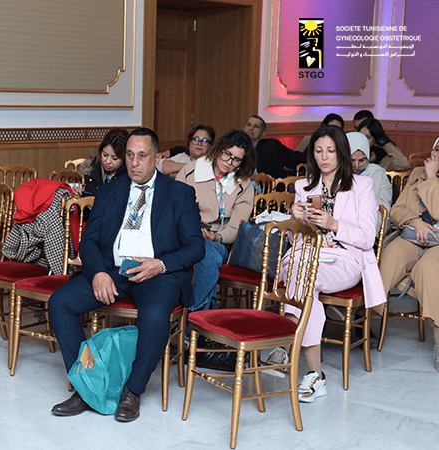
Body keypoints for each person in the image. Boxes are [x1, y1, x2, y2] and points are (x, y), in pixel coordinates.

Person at [48, 127, 205, 422]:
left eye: (142, 156)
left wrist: (160, 264)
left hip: (157, 273)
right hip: (113, 271)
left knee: (155, 315)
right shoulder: (111, 191)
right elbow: (89, 241)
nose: (134, 163)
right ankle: (87, 385)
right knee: (60, 302)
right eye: (130, 155)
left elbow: (196, 247)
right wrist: (98, 273)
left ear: (156, 158)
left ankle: (133, 390)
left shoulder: (180, 193)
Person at [266, 125, 385, 402]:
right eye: (318, 151)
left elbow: (368, 238)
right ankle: (315, 375)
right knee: (304, 274)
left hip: (345, 258)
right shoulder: (304, 186)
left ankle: (287, 343)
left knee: (304, 277)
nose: (324, 157)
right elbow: (295, 238)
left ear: (341, 152)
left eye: (330, 150)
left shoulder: (362, 186)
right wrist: (295, 219)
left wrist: (334, 224)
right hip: (306, 256)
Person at [176, 130, 256, 310]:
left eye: (236, 160)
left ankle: (190, 313)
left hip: (216, 241)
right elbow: (173, 209)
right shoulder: (191, 171)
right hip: (183, 235)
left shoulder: (243, 185)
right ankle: (200, 317)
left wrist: (217, 237)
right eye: (227, 154)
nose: (229, 162)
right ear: (219, 149)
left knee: (208, 256)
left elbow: (237, 227)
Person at [379, 137, 439, 372]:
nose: (438, 154)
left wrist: (432, 177)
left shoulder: (427, 174)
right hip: (413, 236)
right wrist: (416, 221)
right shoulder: (416, 173)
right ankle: (362, 319)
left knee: (428, 269)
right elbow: (397, 210)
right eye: (436, 148)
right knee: (388, 258)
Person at [347, 131, 392, 235]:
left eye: (362, 160)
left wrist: (371, 234)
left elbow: (383, 210)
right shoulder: (336, 172)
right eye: (352, 160)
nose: (356, 165)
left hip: (369, 228)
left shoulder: (377, 173)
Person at [75, 128, 129, 197]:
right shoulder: (92, 170)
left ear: (124, 158)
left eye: (114, 158)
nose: (108, 161)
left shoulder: (129, 177)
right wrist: (82, 199)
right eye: (105, 155)